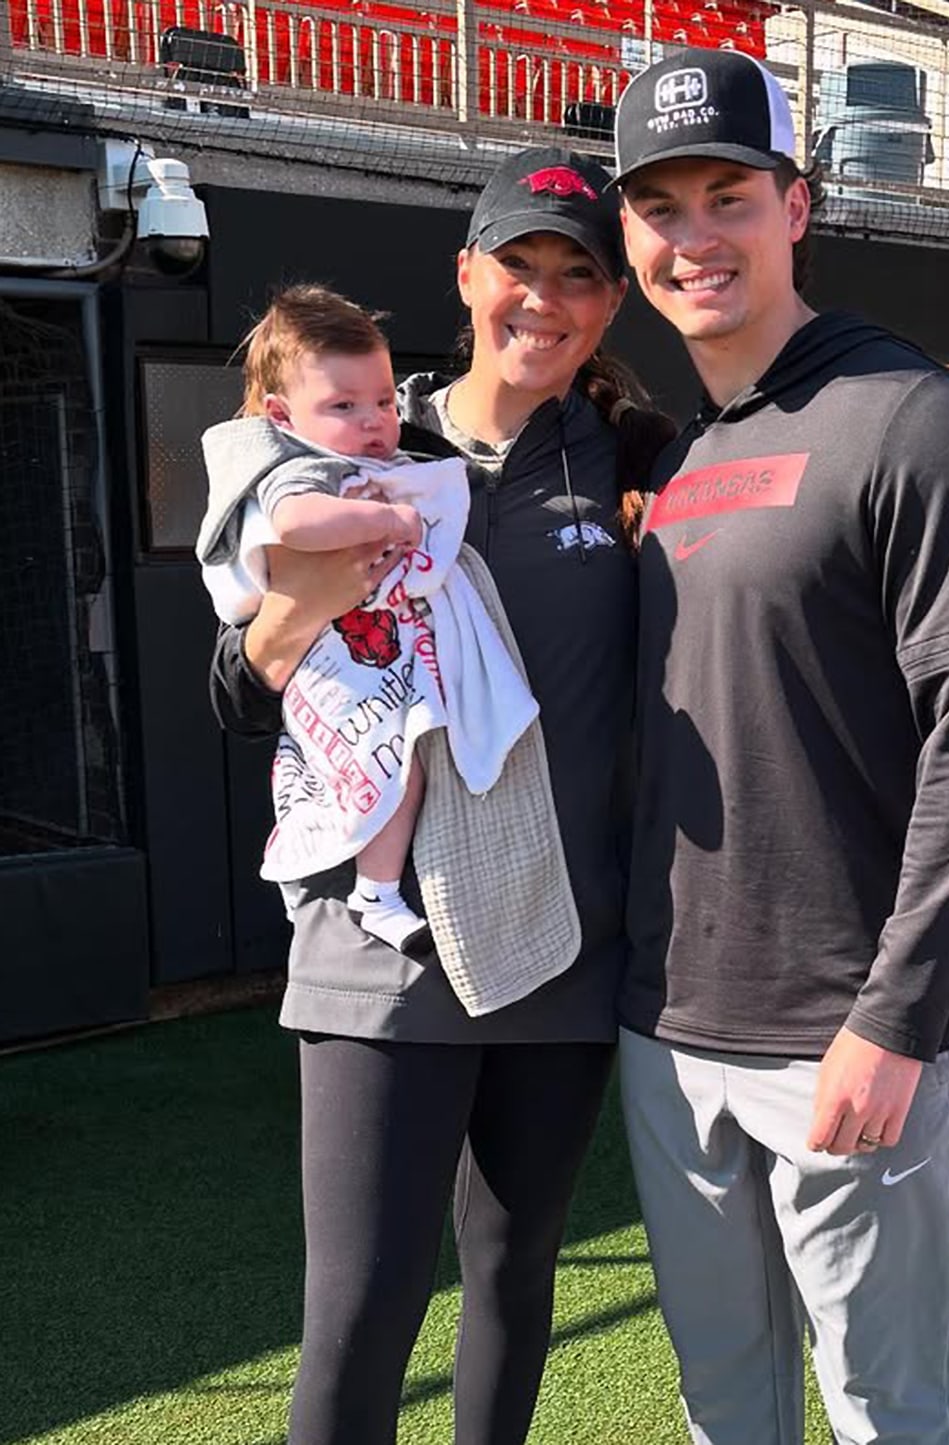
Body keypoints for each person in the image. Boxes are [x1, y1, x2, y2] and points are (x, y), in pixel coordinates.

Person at [207, 145, 674, 1445]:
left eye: (577, 275)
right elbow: (235, 694)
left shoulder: (641, 459)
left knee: (516, 1280)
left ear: (609, 303)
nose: (543, 297)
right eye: (517, 267)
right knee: (360, 1307)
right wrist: (317, 591)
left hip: (562, 949)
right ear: (467, 276)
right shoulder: (362, 452)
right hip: (379, 949)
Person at [607, 47, 949, 1445]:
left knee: (887, 1411)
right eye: (660, 208)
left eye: (727, 196)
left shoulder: (912, 417)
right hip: (668, 1028)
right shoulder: (675, 459)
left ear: (797, 207)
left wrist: (899, 1016)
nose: (694, 238)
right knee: (728, 1407)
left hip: (843, 1033)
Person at [196, 284, 531, 958]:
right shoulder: (289, 468)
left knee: (406, 767)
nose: (376, 421)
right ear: (281, 415)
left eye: (383, 400)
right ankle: (369, 893)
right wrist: (390, 519)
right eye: (343, 406)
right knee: (380, 771)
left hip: (385, 671)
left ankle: (378, 892)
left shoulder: (403, 457)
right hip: (333, 683)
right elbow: (295, 523)